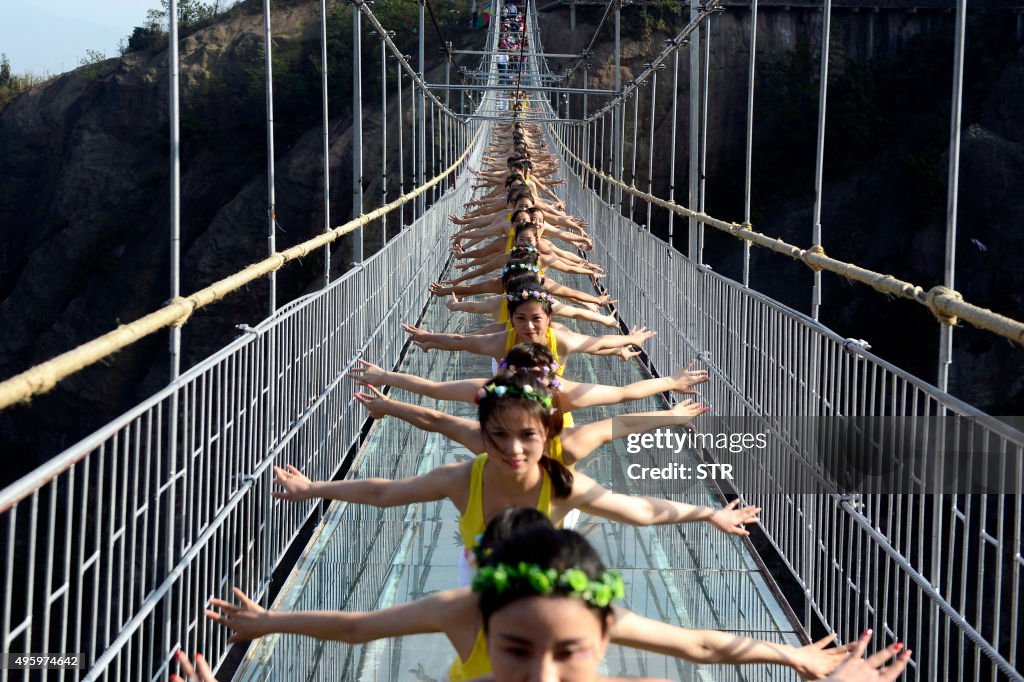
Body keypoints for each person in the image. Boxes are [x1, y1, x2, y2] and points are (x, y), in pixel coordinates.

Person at [204, 509, 865, 681]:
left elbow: (696, 643)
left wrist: (798, 661)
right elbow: (693, 643)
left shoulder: (559, 612)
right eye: (516, 644)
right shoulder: (462, 610)